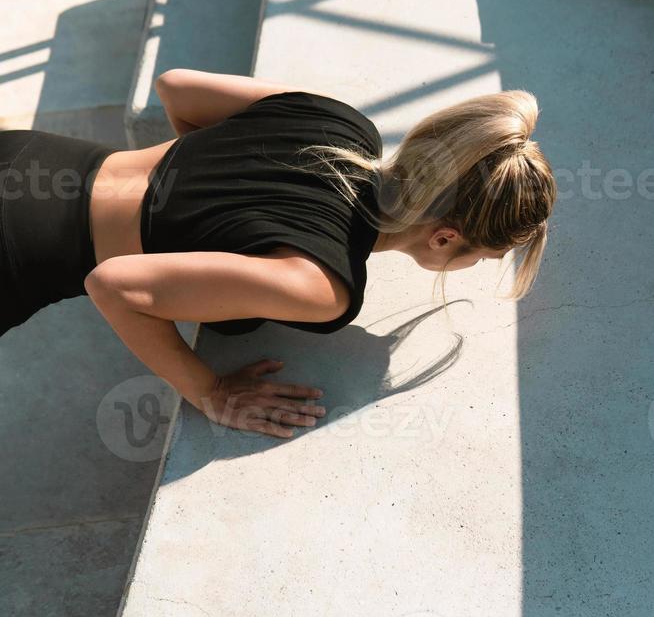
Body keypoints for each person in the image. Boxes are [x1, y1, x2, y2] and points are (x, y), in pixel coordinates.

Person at [0, 70, 556, 438]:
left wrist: (202, 199)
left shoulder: (342, 122)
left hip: (33, 156)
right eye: (482, 256)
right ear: (444, 237)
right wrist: (210, 390)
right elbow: (116, 286)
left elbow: (176, 88)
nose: (473, 268)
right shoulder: (322, 286)